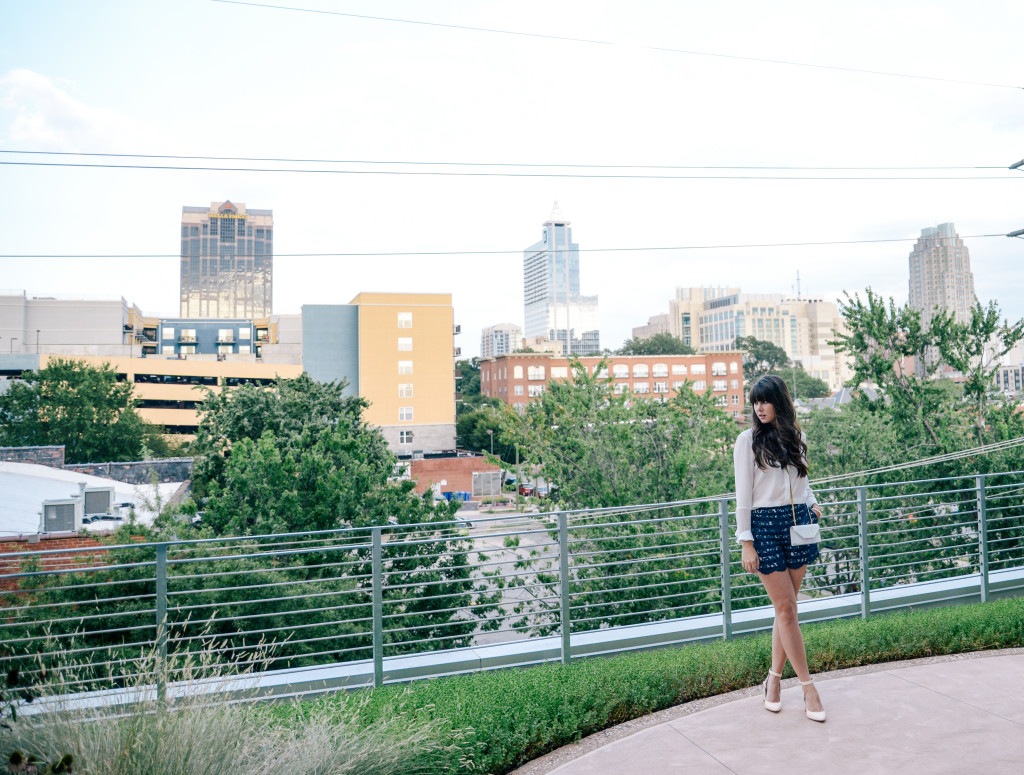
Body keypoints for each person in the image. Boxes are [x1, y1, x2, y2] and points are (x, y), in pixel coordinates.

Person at [733, 374, 826, 722]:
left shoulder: (796, 436)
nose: (759, 407)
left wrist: (813, 503)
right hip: (765, 528)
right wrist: (746, 541)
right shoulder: (747, 441)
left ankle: (773, 680)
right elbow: (743, 495)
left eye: (765, 400)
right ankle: (807, 687)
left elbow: (802, 479)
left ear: (779, 403)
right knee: (786, 608)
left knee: (786, 610)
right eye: (755, 401)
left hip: (798, 523)